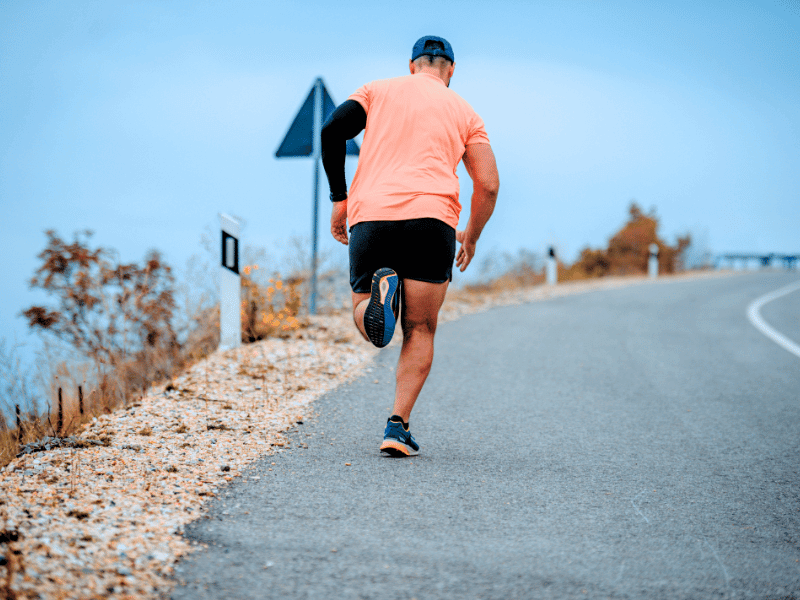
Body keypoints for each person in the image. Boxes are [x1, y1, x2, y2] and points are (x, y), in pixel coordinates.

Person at [321, 35, 499, 457]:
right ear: (450, 70)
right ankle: (396, 427)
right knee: (420, 328)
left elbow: (332, 130)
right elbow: (489, 185)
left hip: (373, 218)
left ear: (411, 64)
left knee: (364, 313)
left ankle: (378, 300)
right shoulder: (466, 112)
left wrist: (339, 199)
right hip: (432, 224)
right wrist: (471, 236)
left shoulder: (375, 91)